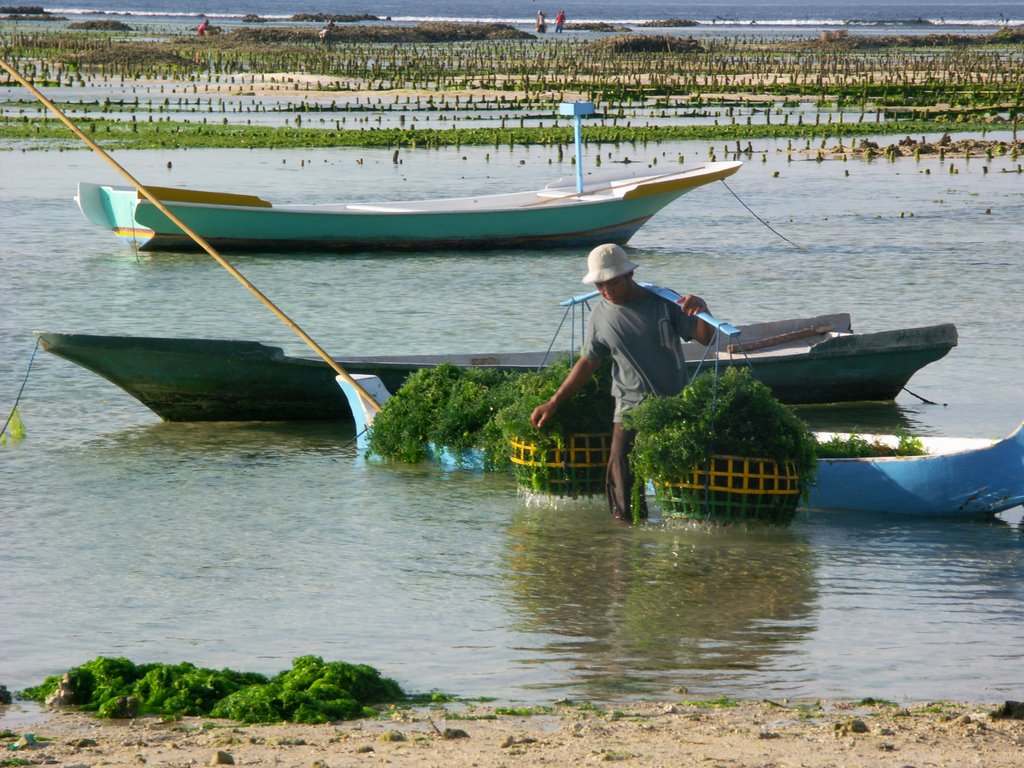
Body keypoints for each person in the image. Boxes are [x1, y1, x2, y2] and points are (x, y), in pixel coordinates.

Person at [530, 244, 714, 521]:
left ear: (628, 275)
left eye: (612, 283)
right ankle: (623, 536)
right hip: (628, 406)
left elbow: (705, 338)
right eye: (600, 285)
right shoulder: (600, 316)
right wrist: (555, 401)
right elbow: (588, 362)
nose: (606, 291)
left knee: (682, 469)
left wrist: (702, 309)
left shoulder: (663, 302)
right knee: (620, 471)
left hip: (672, 403)